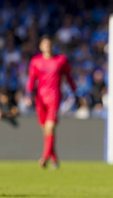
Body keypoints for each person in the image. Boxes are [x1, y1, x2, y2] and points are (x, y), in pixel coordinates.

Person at [25, 35, 77, 169]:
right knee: (45, 131)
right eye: (45, 44)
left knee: (50, 127)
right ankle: (54, 159)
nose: (47, 47)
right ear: (41, 47)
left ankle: (44, 158)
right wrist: (28, 95)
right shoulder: (36, 61)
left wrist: (75, 92)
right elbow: (31, 79)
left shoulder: (61, 60)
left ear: (52, 46)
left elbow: (69, 77)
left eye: (49, 44)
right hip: (40, 99)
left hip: (54, 97)